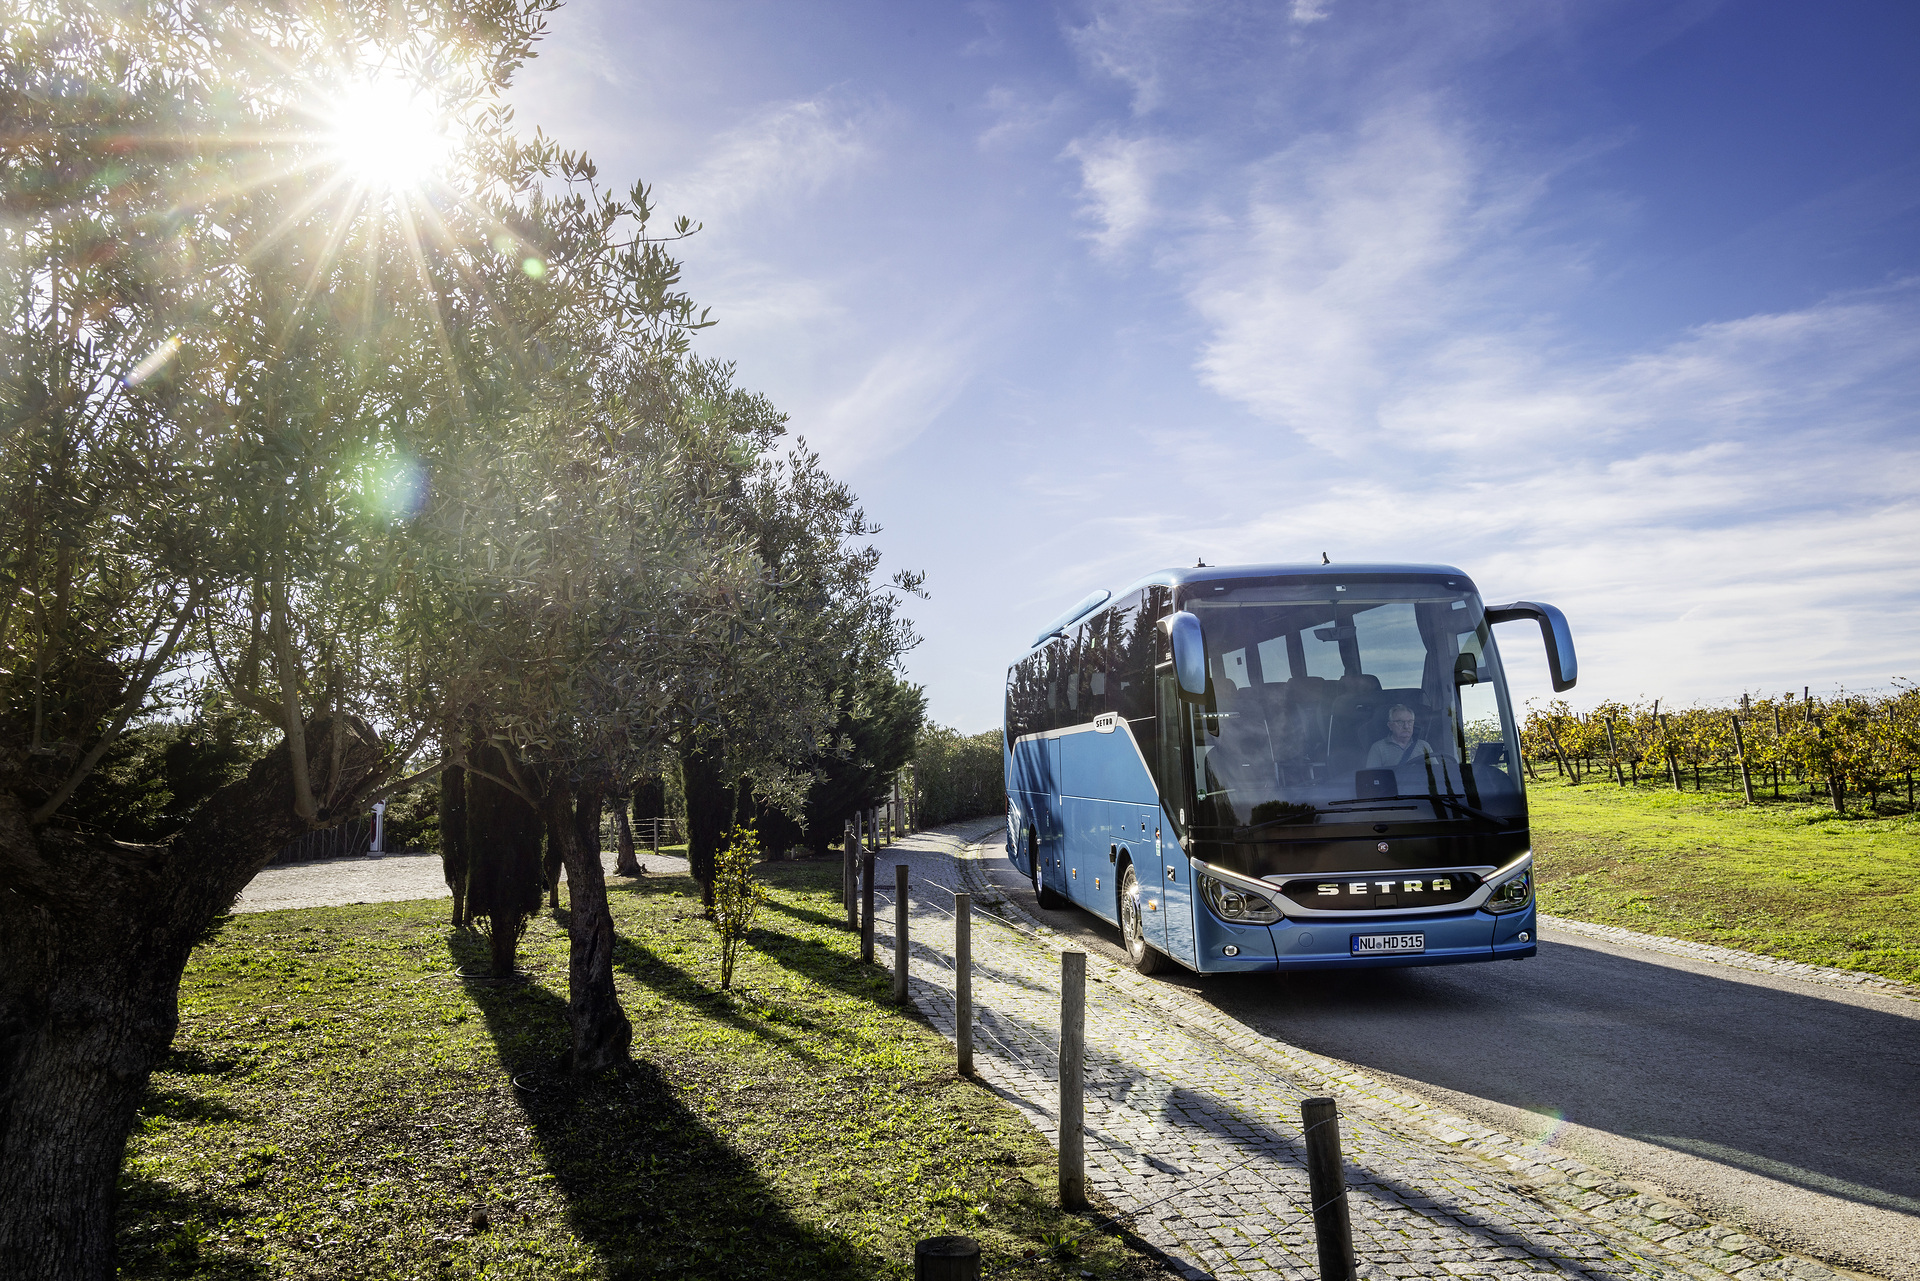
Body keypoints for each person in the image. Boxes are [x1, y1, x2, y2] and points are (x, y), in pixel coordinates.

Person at [1366, 705, 1433, 769]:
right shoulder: (1378, 748)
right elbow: (1371, 777)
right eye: (1400, 722)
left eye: (1409, 722)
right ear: (1390, 725)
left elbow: (1436, 773)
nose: (1406, 726)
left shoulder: (1424, 746)